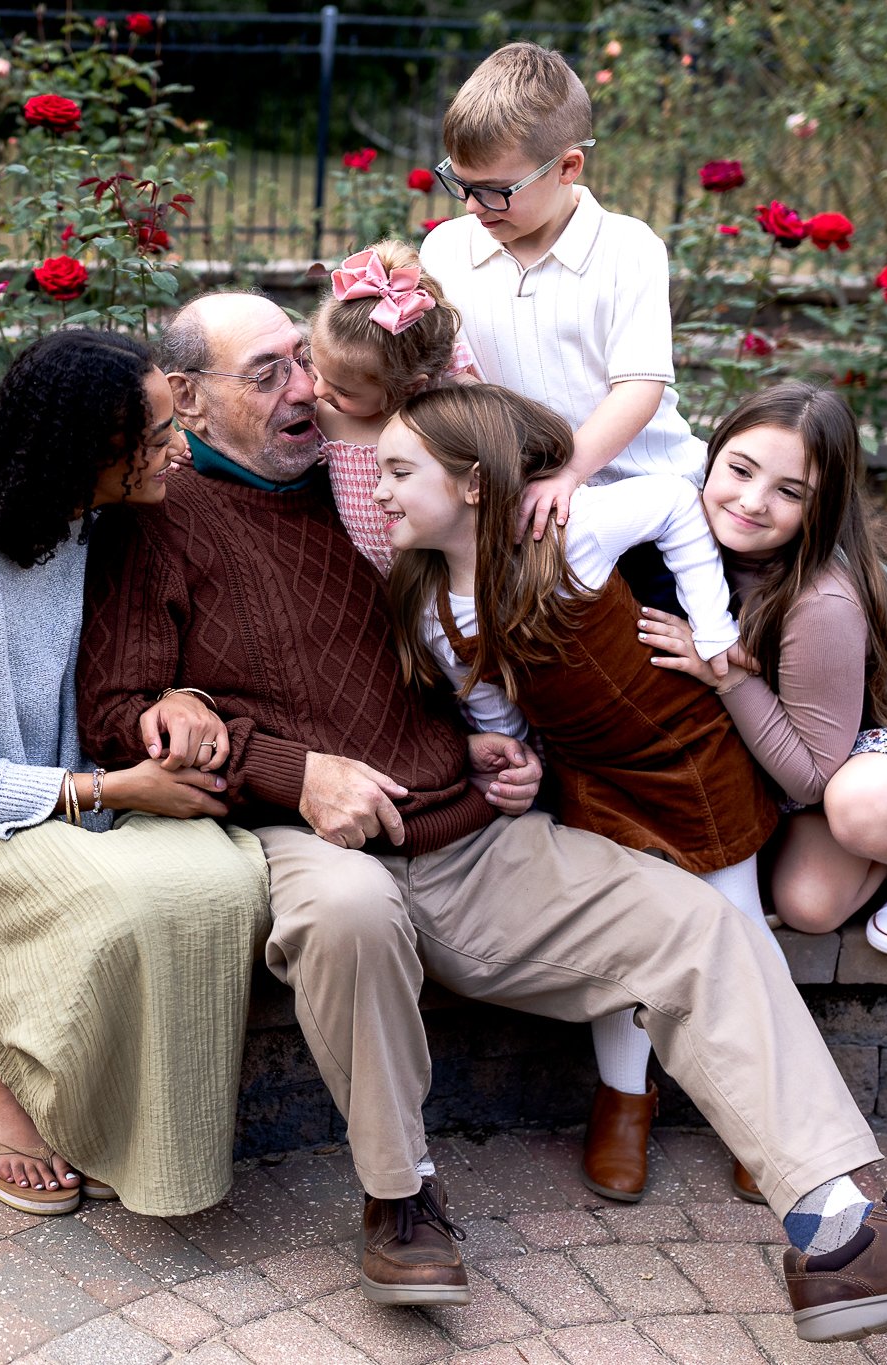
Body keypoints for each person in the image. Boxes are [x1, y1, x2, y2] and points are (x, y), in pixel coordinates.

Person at [78, 289, 887, 1341]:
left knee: (693, 925)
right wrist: (291, 770)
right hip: (313, 836)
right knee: (348, 915)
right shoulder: (161, 519)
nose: (309, 392)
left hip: (466, 829)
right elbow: (114, 711)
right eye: (270, 372)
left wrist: (483, 750)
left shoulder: (362, 485)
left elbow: (439, 646)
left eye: (306, 361)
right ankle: (399, 1197)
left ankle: (839, 1231)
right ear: (184, 397)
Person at [0, 328, 270, 1219]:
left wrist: (185, 693)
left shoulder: (97, 521)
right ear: (96, 451)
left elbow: (155, 643)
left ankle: (61, 1096)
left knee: (229, 878)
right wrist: (112, 790)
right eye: (161, 433)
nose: (182, 445)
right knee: (132, 908)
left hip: (81, 808)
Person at [374, 382, 778, 1202]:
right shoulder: (430, 609)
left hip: (690, 757)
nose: (377, 489)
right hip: (594, 779)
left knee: (740, 930)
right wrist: (515, 762)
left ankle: (762, 1113)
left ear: (472, 483)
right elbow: (488, 700)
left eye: (397, 470)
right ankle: (625, 1099)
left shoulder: (571, 530)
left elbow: (671, 501)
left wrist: (711, 624)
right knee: (627, 944)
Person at [639, 382, 887, 956]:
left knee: (858, 810)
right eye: (740, 470)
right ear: (712, 453)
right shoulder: (688, 524)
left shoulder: (819, 600)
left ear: (820, 508)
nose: (753, 502)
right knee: (810, 906)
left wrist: (727, 675)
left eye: (790, 492)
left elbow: (810, 778)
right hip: (842, 728)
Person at [419, 42, 707, 608]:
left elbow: (640, 386)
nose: (474, 207)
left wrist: (569, 472)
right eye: (460, 183)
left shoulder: (627, 248)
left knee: (656, 658)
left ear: (568, 167)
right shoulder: (447, 249)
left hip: (642, 506)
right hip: (522, 504)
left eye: (496, 190)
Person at [308, 239, 480, 574]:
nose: (318, 390)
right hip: (365, 579)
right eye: (314, 369)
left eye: (342, 390)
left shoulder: (447, 408)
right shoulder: (321, 414)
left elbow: (511, 441)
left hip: (437, 577)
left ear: (410, 386)